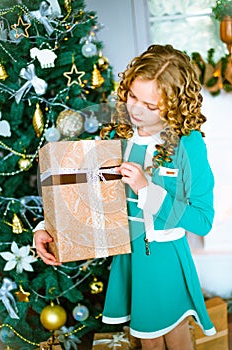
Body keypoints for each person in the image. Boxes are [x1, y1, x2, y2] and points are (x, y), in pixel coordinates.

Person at [34, 44, 216, 350]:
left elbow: (203, 220)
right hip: (126, 256)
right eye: (132, 96)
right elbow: (78, 192)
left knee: (176, 335)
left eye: (151, 105)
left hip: (164, 257)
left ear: (175, 104)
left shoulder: (189, 144)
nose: (136, 110)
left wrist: (147, 190)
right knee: (147, 340)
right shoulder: (116, 134)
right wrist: (44, 228)